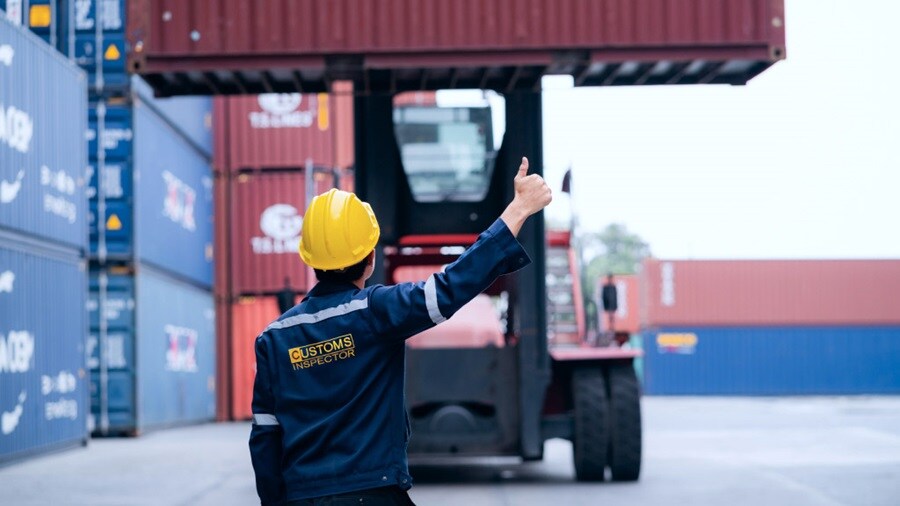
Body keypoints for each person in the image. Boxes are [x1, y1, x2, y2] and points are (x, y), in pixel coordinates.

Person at [249, 157, 551, 505]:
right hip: (374, 493)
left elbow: (265, 439)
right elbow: (450, 287)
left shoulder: (273, 339)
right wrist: (518, 209)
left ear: (310, 259)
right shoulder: (375, 312)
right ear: (371, 257)